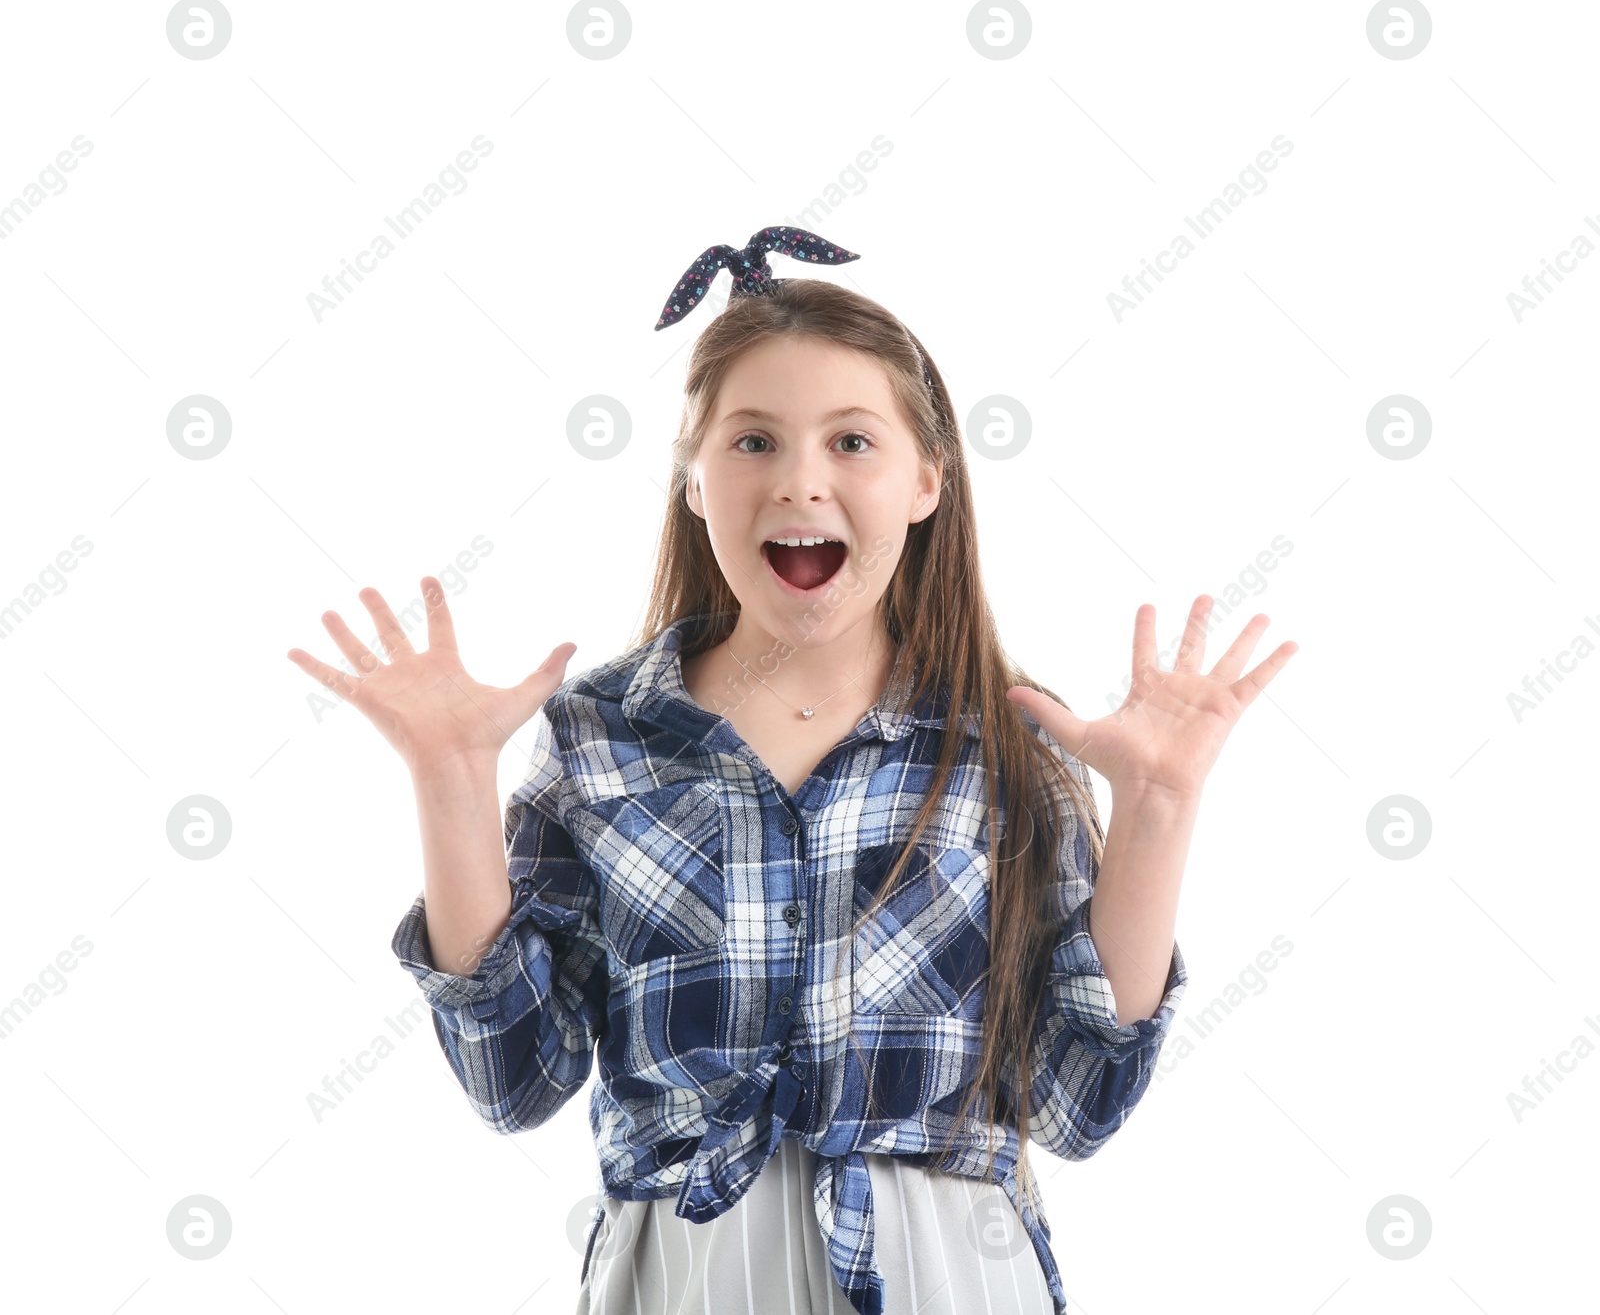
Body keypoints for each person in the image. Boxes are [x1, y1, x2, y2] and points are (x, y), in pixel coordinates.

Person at [286, 227, 1297, 1315]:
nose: (799, 482)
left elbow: (1079, 1100)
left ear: (926, 481)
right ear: (693, 480)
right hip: (686, 1270)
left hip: (949, 1273)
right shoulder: (603, 734)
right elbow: (513, 1078)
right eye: (753, 441)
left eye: (850, 442)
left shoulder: (1001, 745)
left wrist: (1157, 804)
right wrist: (450, 779)